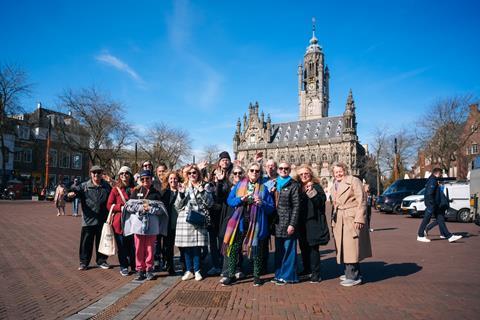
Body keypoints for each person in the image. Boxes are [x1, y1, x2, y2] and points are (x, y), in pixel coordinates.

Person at [221, 162, 274, 287]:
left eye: (257, 171)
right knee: (234, 248)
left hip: (256, 223)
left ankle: (256, 276)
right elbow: (230, 200)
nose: (254, 173)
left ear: (260, 173)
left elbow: (271, 208)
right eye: (252, 170)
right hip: (239, 222)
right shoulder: (239, 185)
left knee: (256, 249)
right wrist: (240, 199)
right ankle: (231, 275)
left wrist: (262, 203)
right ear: (248, 172)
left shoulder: (263, 188)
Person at [331, 162, 372, 287]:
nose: (338, 173)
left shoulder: (354, 181)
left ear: (345, 170)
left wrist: (360, 218)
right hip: (340, 218)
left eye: (340, 171)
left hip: (351, 217)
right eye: (336, 172)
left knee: (351, 247)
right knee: (344, 247)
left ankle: (353, 276)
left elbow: (362, 199)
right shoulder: (334, 185)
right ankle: (350, 272)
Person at [122, 170, 167, 281]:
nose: (145, 181)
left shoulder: (156, 193)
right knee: (138, 248)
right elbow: (128, 206)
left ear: (152, 179)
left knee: (150, 249)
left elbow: (161, 210)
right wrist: (140, 208)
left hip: (152, 226)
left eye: (147, 179)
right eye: (142, 179)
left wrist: (151, 209)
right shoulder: (136, 192)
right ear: (140, 180)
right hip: (138, 226)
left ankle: (149, 269)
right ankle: (140, 270)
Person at [67, 165, 112, 270]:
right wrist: (70, 194)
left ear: (102, 174)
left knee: (101, 242)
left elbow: (112, 198)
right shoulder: (84, 186)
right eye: (94, 172)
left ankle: (102, 261)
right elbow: (73, 192)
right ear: (91, 174)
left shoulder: (106, 186)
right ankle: (84, 262)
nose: (96, 174)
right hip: (88, 220)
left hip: (102, 219)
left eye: (98, 172)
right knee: (86, 242)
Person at [175, 164, 213, 281]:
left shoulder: (205, 186)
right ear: (187, 175)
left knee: (196, 247)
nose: (192, 175)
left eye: (194, 173)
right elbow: (177, 206)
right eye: (189, 173)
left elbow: (210, 203)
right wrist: (181, 194)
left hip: (198, 218)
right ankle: (189, 270)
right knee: (186, 247)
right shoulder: (184, 186)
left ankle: (197, 270)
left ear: (198, 174)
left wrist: (201, 191)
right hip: (185, 219)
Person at [296, 165, 330, 283]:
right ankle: (307, 270)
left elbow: (320, 202)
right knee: (303, 247)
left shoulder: (316, 186)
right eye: (301, 174)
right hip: (301, 222)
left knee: (313, 247)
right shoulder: (298, 187)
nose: (304, 176)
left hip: (313, 221)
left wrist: (312, 192)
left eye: (306, 173)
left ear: (311, 174)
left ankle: (316, 273)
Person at [272, 161, 300, 286]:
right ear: (277, 170)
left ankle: (289, 276)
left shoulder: (294, 185)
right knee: (279, 251)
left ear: (289, 170)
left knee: (289, 250)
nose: (283, 170)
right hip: (277, 223)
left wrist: (292, 224)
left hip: (288, 222)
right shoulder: (274, 183)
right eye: (281, 168)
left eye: (286, 168)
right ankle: (278, 274)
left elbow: (296, 206)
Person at [417, 168, 462, 243]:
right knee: (426, 219)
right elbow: (429, 193)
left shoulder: (432, 180)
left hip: (434, 205)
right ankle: (420, 235)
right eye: (441, 174)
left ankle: (449, 236)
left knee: (440, 219)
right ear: (438, 173)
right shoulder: (433, 180)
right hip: (432, 205)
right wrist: (432, 204)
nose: (441, 175)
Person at [207, 151, 233, 276]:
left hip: (226, 210)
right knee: (213, 239)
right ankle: (216, 264)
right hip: (213, 211)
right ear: (219, 162)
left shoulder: (233, 174)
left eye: (227, 159)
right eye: (223, 160)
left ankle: (225, 265)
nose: (225, 162)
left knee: (224, 238)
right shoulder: (213, 174)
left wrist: (222, 181)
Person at [106, 166, 136, 276]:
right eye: (122, 173)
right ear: (119, 176)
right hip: (120, 223)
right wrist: (120, 207)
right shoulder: (115, 189)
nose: (124, 175)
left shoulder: (135, 189)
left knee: (133, 246)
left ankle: (134, 265)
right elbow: (109, 205)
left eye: (126, 173)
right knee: (122, 246)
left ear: (130, 175)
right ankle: (123, 266)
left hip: (133, 222)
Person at [160, 171, 182, 275]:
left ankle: (185, 266)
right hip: (168, 224)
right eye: (171, 179)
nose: (173, 180)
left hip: (180, 224)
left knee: (182, 247)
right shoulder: (164, 192)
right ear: (168, 180)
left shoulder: (182, 191)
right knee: (168, 247)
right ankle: (169, 267)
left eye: (175, 178)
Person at [261, 159, 278, 274]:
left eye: (272, 166)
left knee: (280, 240)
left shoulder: (280, 179)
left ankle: (280, 266)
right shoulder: (262, 180)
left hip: (278, 214)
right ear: (265, 167)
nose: (270, 168)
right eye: (268, 166)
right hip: (266, 213)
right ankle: (262, 266)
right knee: (263, 241)